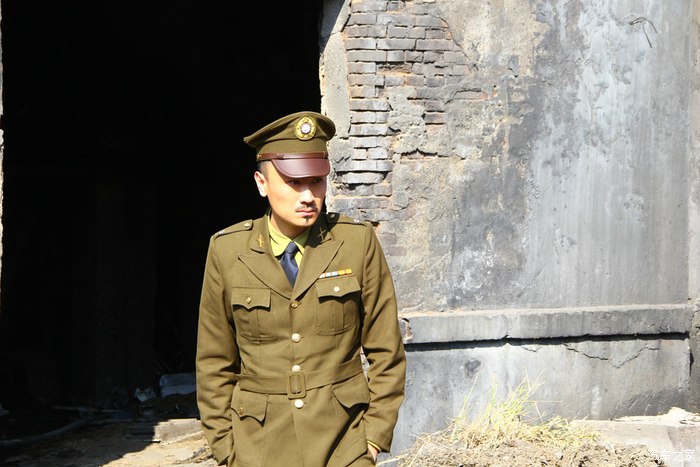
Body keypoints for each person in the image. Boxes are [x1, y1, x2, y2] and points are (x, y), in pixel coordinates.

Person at [196, 111, 406, 467]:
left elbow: (387, 351)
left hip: (344, 443)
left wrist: (372, 439)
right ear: (261, 183)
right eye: (294, 182)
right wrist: (227, 450)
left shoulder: (356, 243)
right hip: (257, 447)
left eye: (317, 181)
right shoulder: (228, 251)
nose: (308, 196)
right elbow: (214, 362)